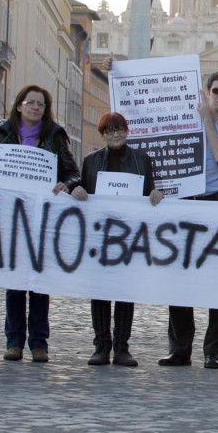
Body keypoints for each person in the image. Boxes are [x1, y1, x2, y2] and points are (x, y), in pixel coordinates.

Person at [0, 84, 80, 363]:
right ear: (19, 106)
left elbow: (73, 172)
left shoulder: (55, 135)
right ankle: (14, 341)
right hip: (11, 215)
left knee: (39, 281)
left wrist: (66, 184)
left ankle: (39, 343)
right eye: (31, 103)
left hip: (43, 216)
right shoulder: (2, 133)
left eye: (41, 104)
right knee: (15, 281)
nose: (36, 108)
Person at [161, 70, 218, 369]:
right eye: (216, 91)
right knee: (179, 277)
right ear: (207, 91)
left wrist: (206, 120)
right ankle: (179, 348)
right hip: (184, 201)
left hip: (216, 200)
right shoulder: (184, 118)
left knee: (217, 279)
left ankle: (214, 350)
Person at [72, 112, 164, 366]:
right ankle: (101, 346)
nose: (115, 134)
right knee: (100, 292)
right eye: (110, 131)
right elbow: (83, 191)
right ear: (102, 135)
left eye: (120, 129)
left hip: (129, 236)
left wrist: (155, 193)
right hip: (99, 236)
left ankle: (122, 347)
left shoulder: (141, 160)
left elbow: (149, 191)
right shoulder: (91, 161)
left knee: (125, 292)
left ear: (127, 131)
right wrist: (76, 190)